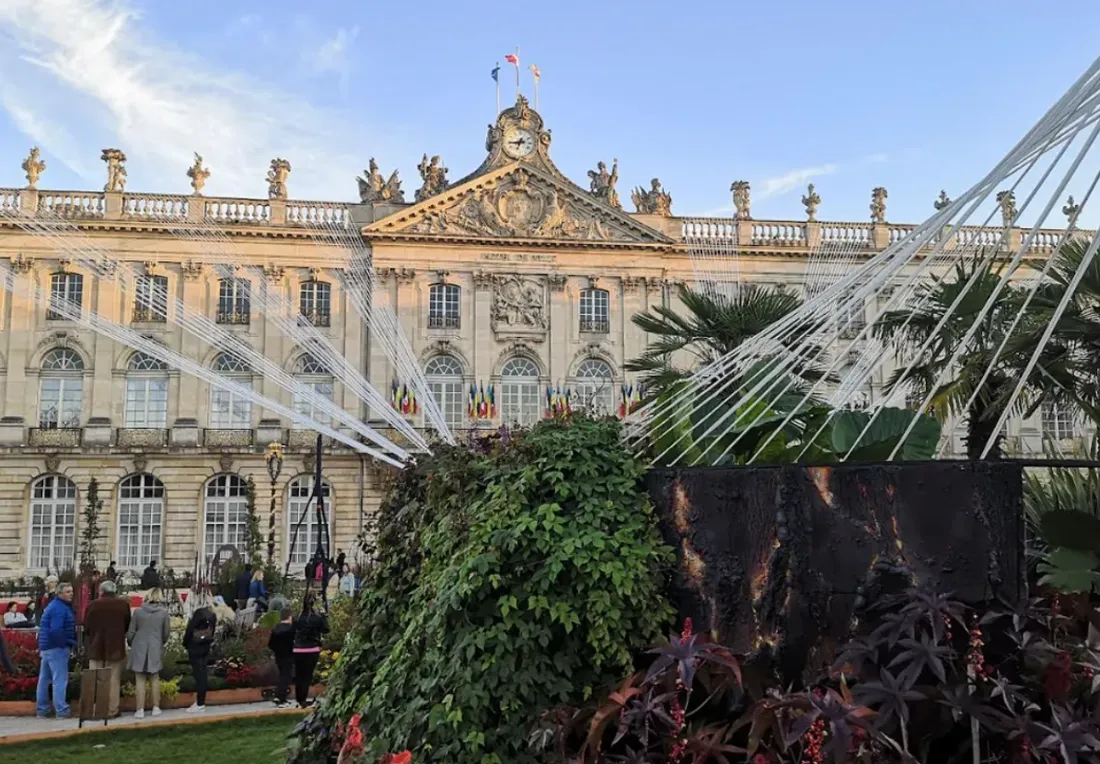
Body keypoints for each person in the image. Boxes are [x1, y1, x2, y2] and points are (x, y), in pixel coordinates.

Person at [83, 580, 131, 718]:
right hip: (115, 646)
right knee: (113, 679)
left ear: (101, 591)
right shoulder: (123, 605)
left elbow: (86, 626)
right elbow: (127, 625)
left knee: (95, 678)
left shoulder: (93, 605)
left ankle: (95, 709)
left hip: (96, 646)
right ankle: (112, 709)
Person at [126, 587, 170, 719]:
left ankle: (139, 710)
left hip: (139, 645)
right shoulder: (163, 613)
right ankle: (156, 707)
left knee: (139, 679)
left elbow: (131, 632)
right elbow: (166, 633)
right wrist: (160, 641)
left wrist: (130, 643)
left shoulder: (138, 612)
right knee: (154, 678)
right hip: (155, 646)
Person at [37, 582, 76, 718]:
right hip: (57, 647)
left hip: (47, 646)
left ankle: (42, 709)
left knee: (44, 679)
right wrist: (66, 643)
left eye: (71, 591)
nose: (71, 594)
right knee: (59, 679)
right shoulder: (60, 608)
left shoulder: (53, 606)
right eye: (67, 591)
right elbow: (56, 630)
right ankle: (61, 710)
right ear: (59, 593)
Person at [292, 592, 329, 708]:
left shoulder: (298, 617)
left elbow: (295, 630)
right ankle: (303, 699)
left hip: (298, 649)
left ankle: (299, 698)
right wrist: (324, 616)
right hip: (311, 649)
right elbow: (326, 629)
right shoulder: (316, 618)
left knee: (299, 675)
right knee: (307, 676)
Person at [182, 595, 217, 714]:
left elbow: (190, 630)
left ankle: (200, 703)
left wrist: (185, 643)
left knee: (198, 675)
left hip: (195, 646)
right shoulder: (212, 615)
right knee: (203, 673)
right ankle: (201, 701)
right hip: (205, 646)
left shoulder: (198, 614)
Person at [268, 606, 296, 709]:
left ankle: (281, 697)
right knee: (286, 677)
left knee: (282, 675)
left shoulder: (276, 628)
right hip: (288, 655)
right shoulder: (291, 629)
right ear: (289, 616)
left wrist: (276, 650)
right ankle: (280, 697)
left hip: (278, 656)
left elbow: (270, 644)